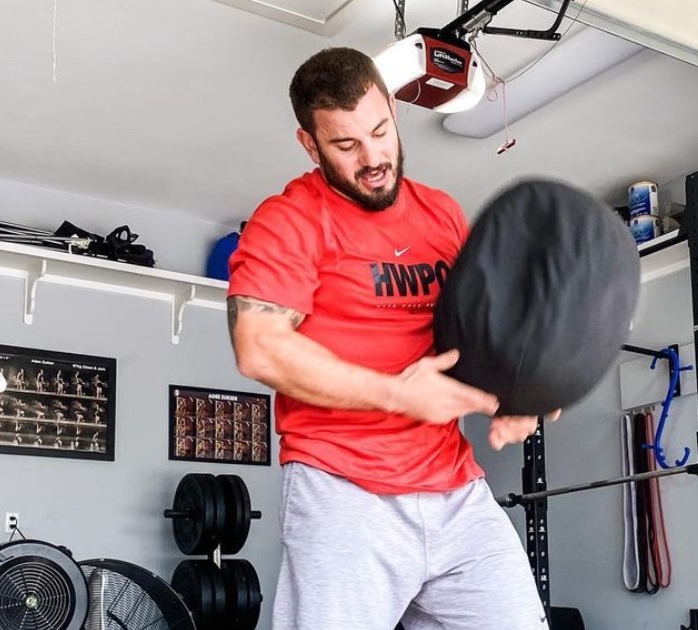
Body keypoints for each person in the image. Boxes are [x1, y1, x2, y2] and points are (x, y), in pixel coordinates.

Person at [226, 47, 557, 629]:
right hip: (343, 490)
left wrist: (518, 391)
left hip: (455, 489)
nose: (374, 157)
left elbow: (478, 328)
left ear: (394, 115)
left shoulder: (442, 214)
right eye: (346, 145)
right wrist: (399, 394)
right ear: (310, 144)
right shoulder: (289, 219)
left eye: (380, 131)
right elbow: (260, 346)